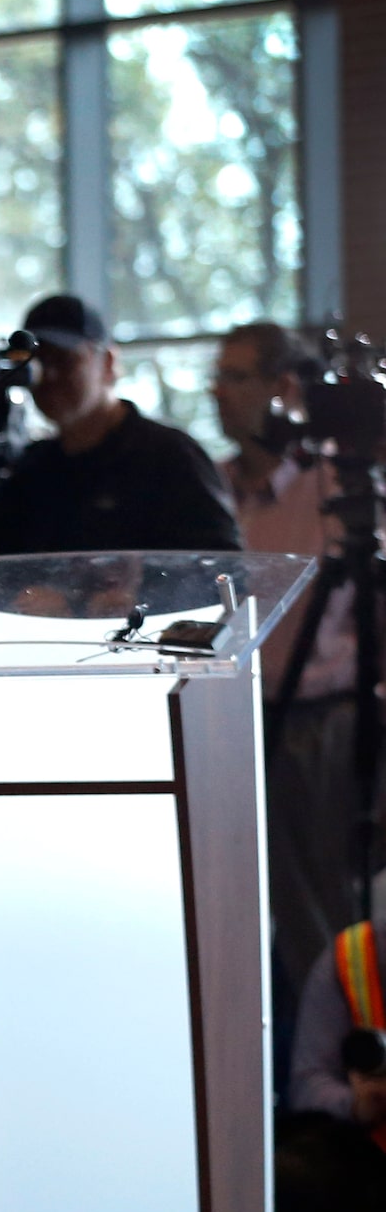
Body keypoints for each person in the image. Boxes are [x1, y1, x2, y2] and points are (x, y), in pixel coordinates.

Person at [214, 321, 374, 1077]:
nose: (217, 391)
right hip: (233, 722)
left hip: (321, 723)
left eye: (235, 376)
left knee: (318, 920)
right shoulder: (217, 488)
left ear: (283, 387)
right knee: (248, 920)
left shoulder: (332, 490)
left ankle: (346, 1090)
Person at [0, 294, 241, 556]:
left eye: (64, 360)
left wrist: (137, 591)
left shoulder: (169, 457)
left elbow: (222, 567)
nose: (49, 375)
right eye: (36, 364)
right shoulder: (32, 472)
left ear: (107, 362)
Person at [276, 920, 386, 1212]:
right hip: (370, 1157)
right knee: (281, 1177)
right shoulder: (350, 957)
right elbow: (307, 1082)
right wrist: (354, 1104)